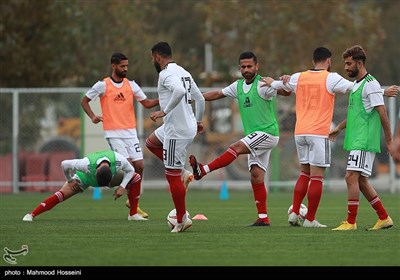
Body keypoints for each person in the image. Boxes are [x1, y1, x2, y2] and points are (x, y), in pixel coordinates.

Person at [263, 47, 398, 228]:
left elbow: (278, 86)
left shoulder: (298, 77)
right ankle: (311, 219)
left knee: (306, 173)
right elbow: (356, 88)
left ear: (313, 61)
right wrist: (383, 91)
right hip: (319, 132)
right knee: (320, 177)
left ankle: (295, 213)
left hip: (300, 131)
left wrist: (273, 81)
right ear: (328, 61)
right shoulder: (331, 78)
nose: (345, 67)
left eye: (348, 64)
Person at [189, 51, 290, 227]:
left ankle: (202, 171)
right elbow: (218, 94)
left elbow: (286, 93)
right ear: (239, 68)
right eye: (243, 67)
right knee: (256, 176)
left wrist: (278, 82)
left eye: (250, 66)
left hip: (268, 133)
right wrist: (195, 97)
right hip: (256, 136)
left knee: (235, 147)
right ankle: (263, 218)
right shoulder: (238, 86)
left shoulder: (262, 84)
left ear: (256, 67)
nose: (246, 69)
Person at [81, 52, 159, 219]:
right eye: (122, 66)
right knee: (128, 166)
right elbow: (84, 101)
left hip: (130, 132)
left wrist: (163, 98)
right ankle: (130, 201)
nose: (125, 69)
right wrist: (93, 116)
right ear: (113, 66)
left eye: (127, 66)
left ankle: (132, 201)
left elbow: (146, 103)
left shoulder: (131, 85)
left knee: (140, 165)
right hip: (113, 134)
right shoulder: (103, 85)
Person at [329, 45, 394, 231]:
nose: (346, 68)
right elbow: (355, 115)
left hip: (364, 141)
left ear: (359, 63)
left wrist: (390, 141)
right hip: (356, 139)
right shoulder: (358, 85)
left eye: (349, 64)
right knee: (361, 181)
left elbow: (382, 113)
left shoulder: (371, 83)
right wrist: (338, 129)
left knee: (350, 177)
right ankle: (383, 217)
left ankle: (351, 222)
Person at [148, 41, 205, 233]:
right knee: (151, 142)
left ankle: (182, 220)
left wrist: (163, 112)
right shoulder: (184, 71)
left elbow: (179, 91)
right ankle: (184, 173)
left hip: (176, 130)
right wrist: (197, 122)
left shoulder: (165, 74)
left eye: (152, 58)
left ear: (157, 57)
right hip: (186, 125)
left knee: (171, 176)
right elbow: (201, 99)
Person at [22, 150, 143, 221]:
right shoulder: (85, 164)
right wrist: (70, 180)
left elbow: (131, 170)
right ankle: (31, 214)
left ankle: (133, 214)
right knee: (60, 195)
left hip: (109, 180)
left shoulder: (119, 160)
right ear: (95, 172)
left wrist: (122, 186)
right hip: (84, 179)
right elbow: (64, 164)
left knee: (136, 177)